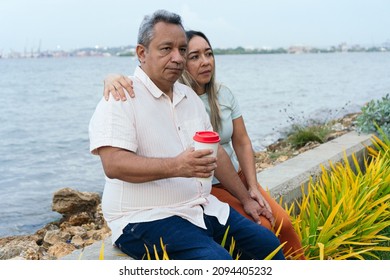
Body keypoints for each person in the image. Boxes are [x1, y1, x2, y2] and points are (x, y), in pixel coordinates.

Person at [89, 9, 285, 260]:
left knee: (268, 245)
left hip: (201, 209)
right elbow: (114, 164)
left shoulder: (188, 97)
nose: (177, 58)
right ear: (141, 53)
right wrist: (177, 165)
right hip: (144, 218)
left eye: (182, 49)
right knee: (217, 262)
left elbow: (218, 155)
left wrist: (246, 199)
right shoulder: (121, 97)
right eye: (166, 49)